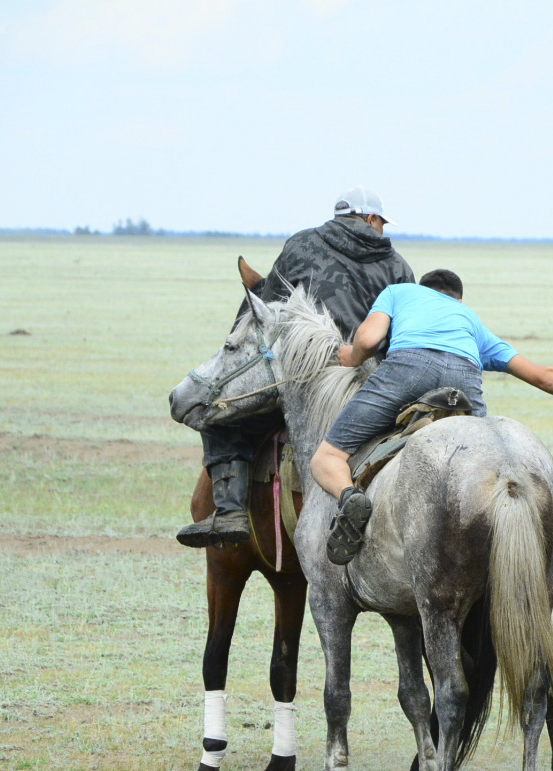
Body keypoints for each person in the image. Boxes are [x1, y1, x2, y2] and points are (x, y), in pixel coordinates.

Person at [311, 269, 553, 565]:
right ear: (459, 301)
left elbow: (367, 341)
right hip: (464, 379)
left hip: (407, 368)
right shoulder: (471, 322)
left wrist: (349, 356)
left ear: (423, 291)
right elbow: (546, 377)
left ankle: (351, 498)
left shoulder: (399, 292)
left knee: (328, 456)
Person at [176, 187, 414, 549]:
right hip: (372, 390)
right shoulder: (398, 266)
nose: (382, 230)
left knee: (220, 413)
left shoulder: (301, 246)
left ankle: (229, 511)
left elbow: (263, 315)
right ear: (369, 219)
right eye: (380, 222)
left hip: (306, 383)